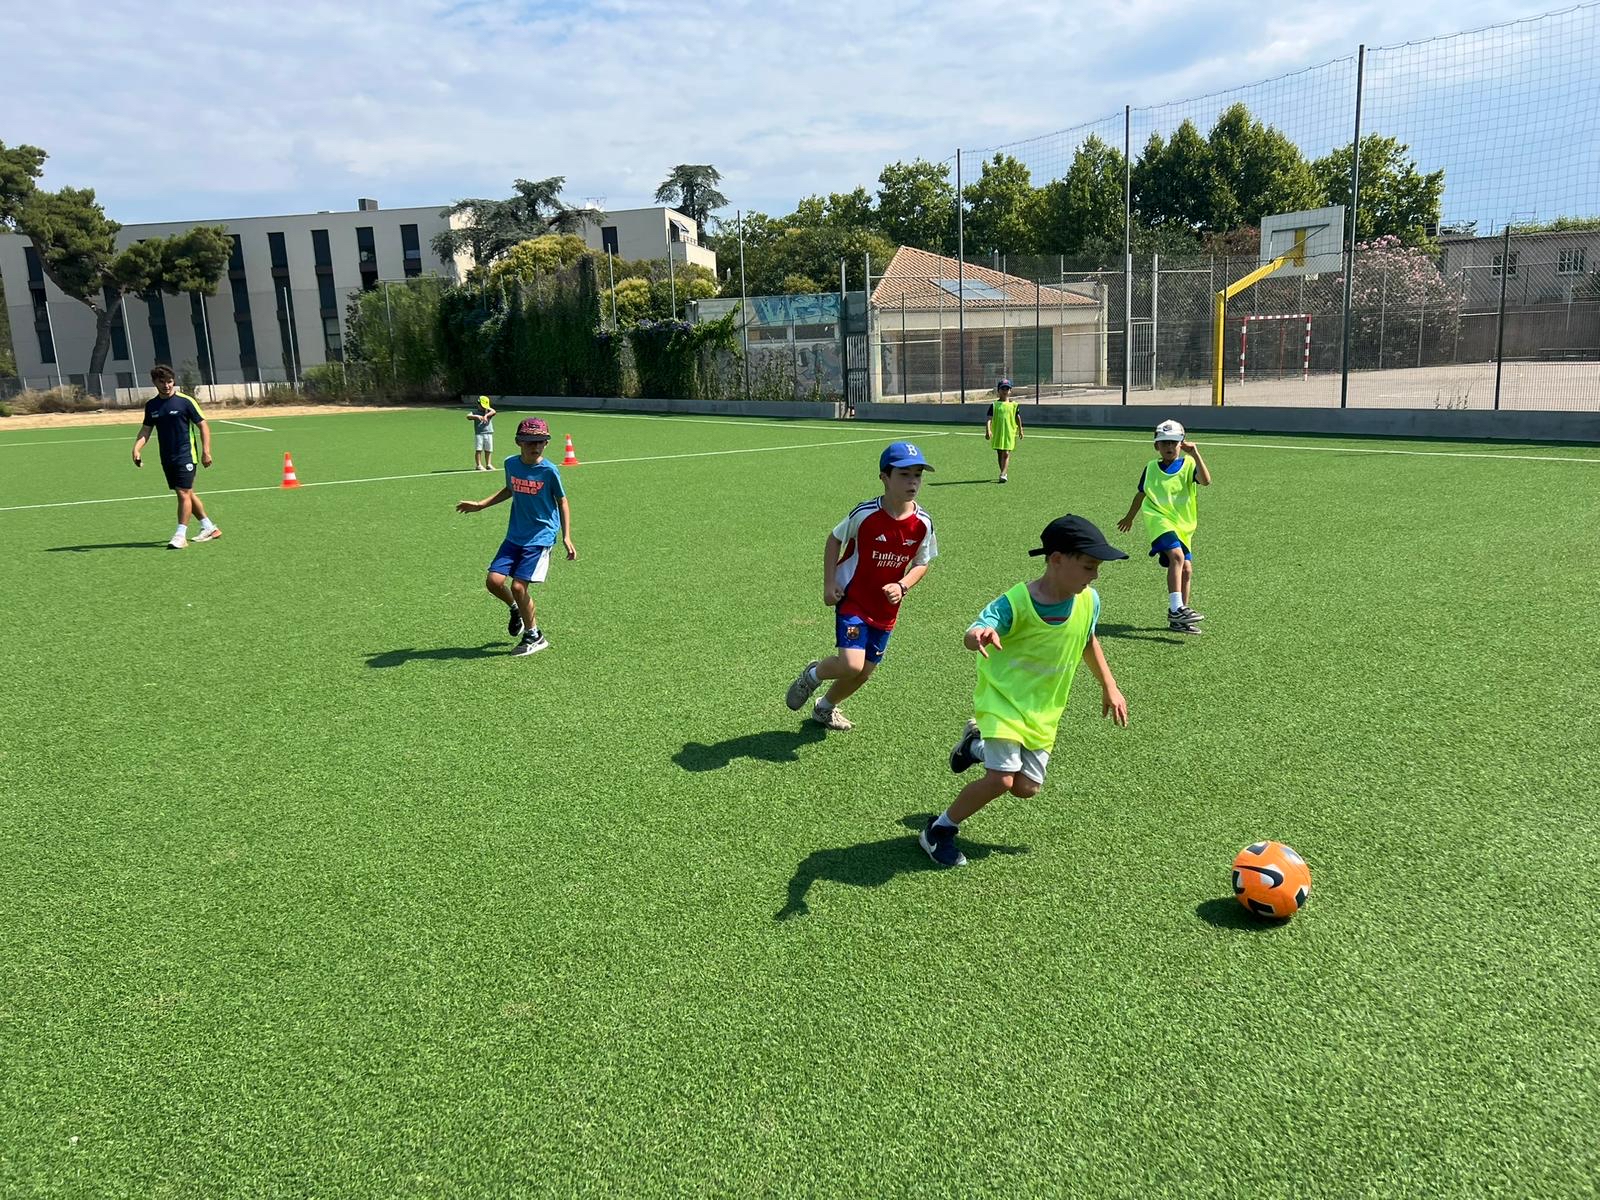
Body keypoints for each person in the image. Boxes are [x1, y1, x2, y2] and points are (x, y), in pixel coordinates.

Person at [925, 515, 1129, 868]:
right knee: (1001, 780)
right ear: (1056, 560)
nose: (1095, 575)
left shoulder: (1089, 601)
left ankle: (975, 745)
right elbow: (976, 630)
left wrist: (1110, 686)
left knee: (1026, 788)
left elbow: (1088, 641)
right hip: (1002, 701)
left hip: (1043, 710)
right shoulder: (1016, 602)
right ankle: (939, 830)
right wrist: (979, 635)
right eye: (1088, 566)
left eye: (1097, 567)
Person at [785, 441, 938, 731]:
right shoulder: (865, 513)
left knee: (865, 672)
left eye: (917, 475)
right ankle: (812, 675)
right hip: (853, 600)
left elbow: (923, 562)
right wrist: (829, 583)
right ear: (884, 477)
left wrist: (902, 585)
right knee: (851, 665)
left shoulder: (923, 523)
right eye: (904, 474)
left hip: (886, 610)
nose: (913, 482)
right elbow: (834, 539)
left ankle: (824, 708)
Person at [455, 417, 576, 656]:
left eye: (540, 441)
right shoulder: (511, 464)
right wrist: (481, 504)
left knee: (519, 586)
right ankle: (516, 609)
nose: (535, 446)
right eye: (529, 441)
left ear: (546, 443)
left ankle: (535, 635)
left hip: (540, 536)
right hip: (515, 534)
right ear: (518, 442)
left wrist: (566, 536)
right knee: (493, 582)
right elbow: (510, 489)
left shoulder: (549, 470)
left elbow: (562, 501)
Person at [1116, 418, 1213, 635]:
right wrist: (1129, 517)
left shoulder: (1189, 465)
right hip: (1158, 519)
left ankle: (1180, 618)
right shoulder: (1151, 468)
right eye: (1164, 443)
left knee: (1187, 568)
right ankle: (1176, 608)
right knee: (1176, 557)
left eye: (1174, 442)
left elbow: (1206, 481)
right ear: (1156, 446)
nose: (1169, 447)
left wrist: (1195, 454)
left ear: (1181, 444)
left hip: (1182, 524)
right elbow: (1141, 494)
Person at [131, 364, 220, 550]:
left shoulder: (185, 402)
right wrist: (137, 449)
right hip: (167, 457)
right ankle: (209, 527)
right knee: (187, 492)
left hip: (186, 455)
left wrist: (206, 451)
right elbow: (146, 430)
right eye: (162, 382)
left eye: (170, 381)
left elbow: (203, 425)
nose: (166, 385)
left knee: (183, 493)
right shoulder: (152, 405)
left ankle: (180, 536)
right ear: (154, 382)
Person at [985, 379, 1022, 483]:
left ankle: (1003, 474)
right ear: (998, 390)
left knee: (1006, 453)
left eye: (1007, 389)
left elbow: (1017, 417)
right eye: (1003, 389)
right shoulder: (994, 405)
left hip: (1009, 433)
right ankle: (1003, 472)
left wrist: (1020, 429)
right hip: (998, 433)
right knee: (999, 453)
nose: (1005, 391)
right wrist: (988, 430)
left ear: (1010, 391)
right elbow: (989, 419)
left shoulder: (1014, 405)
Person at [469, 395, 496, 471]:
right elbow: (468, 416)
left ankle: (488, 464)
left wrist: (486, 415)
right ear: (478, 404)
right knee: (479, 449)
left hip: (489, 433)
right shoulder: (475, 412)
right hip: (479, 434)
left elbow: (494, 411)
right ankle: (479, 465)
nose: (484, 408)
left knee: (488, 449)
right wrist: (476, 416)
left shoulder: (488, 412)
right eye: (482, 406)